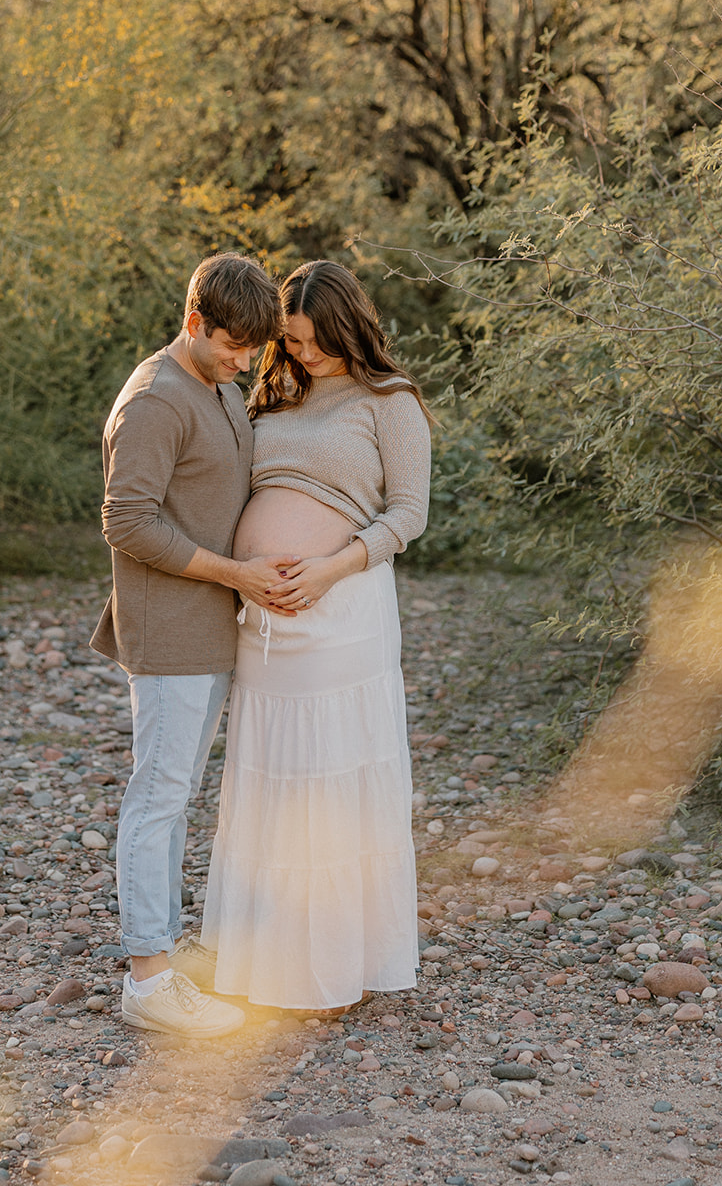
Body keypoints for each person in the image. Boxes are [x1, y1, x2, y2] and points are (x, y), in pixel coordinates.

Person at [200, 260, 432, 1012]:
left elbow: (407, 514)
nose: (304, 354)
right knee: (272, 777)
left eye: (314, 341)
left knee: (332, 779)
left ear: (346, 325)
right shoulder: (270, 394)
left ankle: (336, 967)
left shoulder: (387, 400)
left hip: (343, 608)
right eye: (291, 342)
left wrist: (328, 570)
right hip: (263, 617)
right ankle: (265, 965)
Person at [90, 252, 298, 1038]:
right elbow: (126, 521)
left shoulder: (212, 384)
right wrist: (236, 573)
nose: (243, 361)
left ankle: (166, 956)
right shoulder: (154, 400)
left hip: (208, 625)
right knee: (158, 798)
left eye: (252, 349)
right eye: (232, 345)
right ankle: (148, 981)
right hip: (172, 629)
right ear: (192, 322)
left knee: (175, 797)